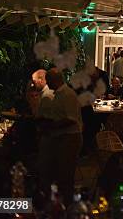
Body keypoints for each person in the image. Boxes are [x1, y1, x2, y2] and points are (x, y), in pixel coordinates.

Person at [37, 68, 83, 205]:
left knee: (66, 174)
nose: (47, 83)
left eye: (48, 80)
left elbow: (71, 119)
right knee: (61, 173)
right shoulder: (58, 94)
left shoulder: (67, 94)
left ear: (54, 80)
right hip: (62, 138)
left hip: (70, 138)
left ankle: (67, 204)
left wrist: (51, 125)